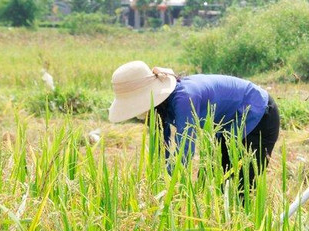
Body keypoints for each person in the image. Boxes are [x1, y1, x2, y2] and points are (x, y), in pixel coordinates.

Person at [108, 61, 280, 194]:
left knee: (241, 187)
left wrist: (170, 186)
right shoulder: (160, 108)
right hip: (228, 127)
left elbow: (185, 149)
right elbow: (162, 146)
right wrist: (157, 180)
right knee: (212, 181)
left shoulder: (183, 99)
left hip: (258, 114)